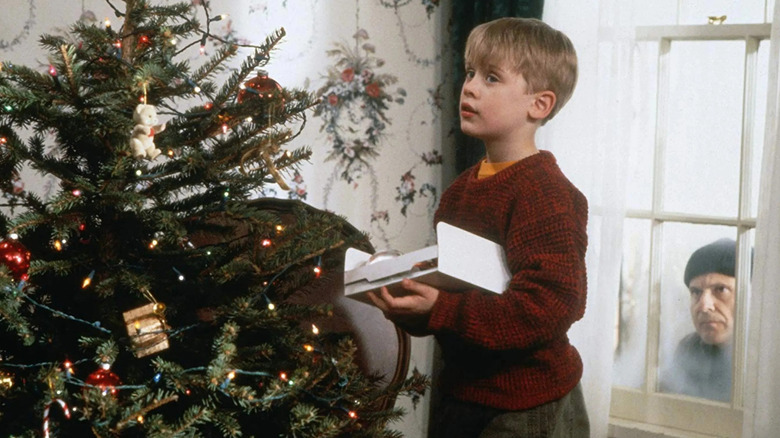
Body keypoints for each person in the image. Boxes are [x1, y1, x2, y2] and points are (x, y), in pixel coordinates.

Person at [367, 17, 589, 438]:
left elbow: (550, 308)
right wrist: (412, 306)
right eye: (470, 73)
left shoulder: (547, 193)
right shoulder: (458, 193)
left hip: (527, 406)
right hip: (463, 396)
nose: (469, 87)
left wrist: (440, 309)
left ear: (539, 105)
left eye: (491, 78)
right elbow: (458, 298)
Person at [660, 238, 737, 402]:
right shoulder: (688, 347)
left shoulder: (767, 357)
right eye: (696, 292)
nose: (704, 306)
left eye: (720, 290)